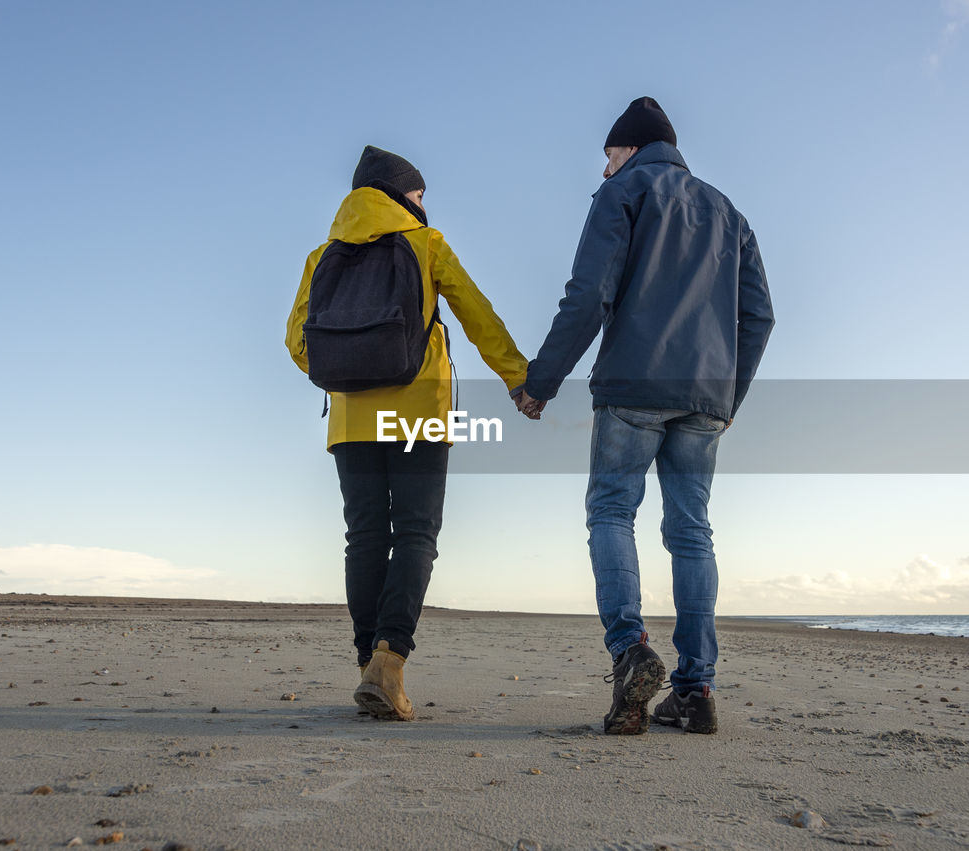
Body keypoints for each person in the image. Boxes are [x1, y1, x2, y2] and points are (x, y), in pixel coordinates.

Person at [517, 98, 774, 735]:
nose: (604, 170)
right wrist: (728, 397)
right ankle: (696, 687)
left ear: (628, 148)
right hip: (707, 397)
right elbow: (760, 316)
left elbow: (588, 296)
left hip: (634, 385)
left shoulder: (624, 192)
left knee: (611, 511)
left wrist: (539, 383)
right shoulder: (728, 212)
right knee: (691, 531)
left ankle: (631, 651)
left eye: (607, 156)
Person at [287, 145, 530, 720]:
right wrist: (519, 380)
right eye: (418, 194)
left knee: (365, 536)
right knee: (417, 533)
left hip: (350, 419)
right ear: (399, 193)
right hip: (419, 409)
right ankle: (389, 662)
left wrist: (350, 373)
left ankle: (366, 659)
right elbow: (477, 314)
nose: (423, 204)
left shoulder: (323, 256)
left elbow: (299, 341)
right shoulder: (426, 244)